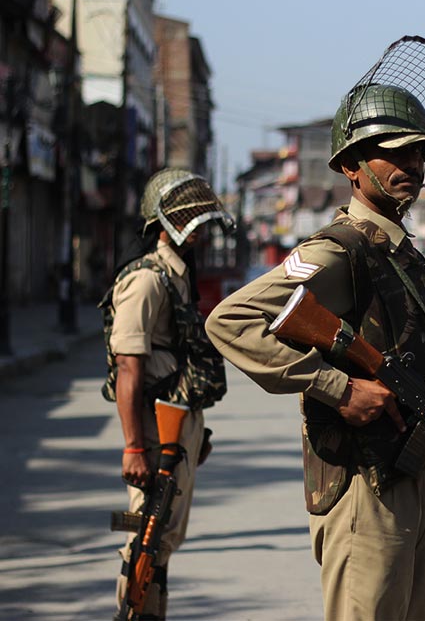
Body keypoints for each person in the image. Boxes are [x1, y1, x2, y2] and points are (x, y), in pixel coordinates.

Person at [205, 83, 425, 621]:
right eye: (396, 151)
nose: (413, 165)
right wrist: (338, 387)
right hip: (364, 487)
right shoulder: (338, 250)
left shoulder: (403, 256)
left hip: (415, 479)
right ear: (352, 164)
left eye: (420, 152)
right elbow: (230, 320)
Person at [101, 168, 233, 620]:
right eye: (189, 218)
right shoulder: (146, 280)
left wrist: (196, 435)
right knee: (146, 536)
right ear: (163, 223)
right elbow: (129, 368)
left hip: (176, 428)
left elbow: (180, 363)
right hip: (154, 434)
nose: (199, 228)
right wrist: (134, 447)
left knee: (165, 537)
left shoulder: (177, 276)